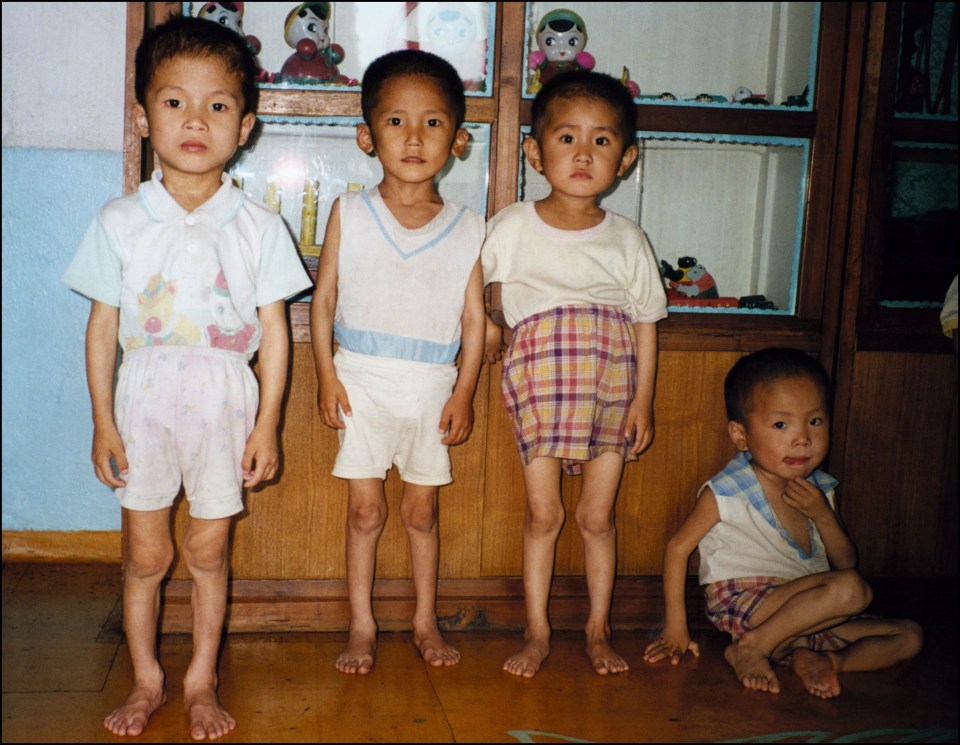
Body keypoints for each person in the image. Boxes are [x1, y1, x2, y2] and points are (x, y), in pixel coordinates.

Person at [62, 15, 312, 739]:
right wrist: (103, 420)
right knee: (147, 553)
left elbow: (273, 333)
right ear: (143, 116)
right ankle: (147, 678)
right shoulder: (119, 219)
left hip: (224, 403)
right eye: (174, 102)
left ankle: (201, 679)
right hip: (141, 404)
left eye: (218, 105)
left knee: (207, 550)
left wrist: (266, 423)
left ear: (246, 124)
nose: (195, 120)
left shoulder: (259, 227)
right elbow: (103, 327)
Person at [481, 70, 667, 678]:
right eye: (566, 138)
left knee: (595, 517)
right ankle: (536, 631)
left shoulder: (628, 239)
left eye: (602, 141)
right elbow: (485, 298)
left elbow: (645, 323)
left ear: (627, 157)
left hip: (612, 384)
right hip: (540, 380)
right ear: (535, 151)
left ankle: (596, 629)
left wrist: (643, 401)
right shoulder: (511, 225)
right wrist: (490, 334)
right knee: (544, 515)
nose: (583, 154)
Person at [310, 49, 485, 675]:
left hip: (432, 387)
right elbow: (324, 297)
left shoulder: (469, 226)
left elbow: (473, 322)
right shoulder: (349, 213)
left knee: (420, 510)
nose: (414, 138)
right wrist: (326, 374)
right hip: (359, 381)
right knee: (365, 510)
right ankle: (361, 625)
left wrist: (463, 392)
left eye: (433, 123)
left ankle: (423, 622)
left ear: (458, 141)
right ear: (367, 136)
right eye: (395, 122)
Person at [643, 348, 923, 698]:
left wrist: (822, 513)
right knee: (852, 589)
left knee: (909, 636)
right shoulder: (729, 490)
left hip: (807, 615)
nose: (802, 438)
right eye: (781, 424)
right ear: (741, 436)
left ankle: (824, 659)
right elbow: (676, 548)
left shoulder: (819, 488)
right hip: (748, 604)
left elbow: (845, 561)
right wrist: (676, 628)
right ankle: (753, 647)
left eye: (815, 422)